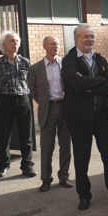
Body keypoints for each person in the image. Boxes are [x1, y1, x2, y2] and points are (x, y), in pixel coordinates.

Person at [61, 24, 108, 210]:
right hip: (79, 118)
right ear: (76, 39)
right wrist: (97, 81)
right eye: (86, 37)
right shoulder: (69, 61)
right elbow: (77, 83)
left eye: (92, 36)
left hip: (100, 114)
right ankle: (84, 196)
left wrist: (90, 85)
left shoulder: (99, 58)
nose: (89, 40)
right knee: (81, 158)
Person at [0, 31, 35, 178]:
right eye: (12, 41)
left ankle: (27, 166)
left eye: (17, 41)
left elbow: (31, 83)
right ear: (4, 45)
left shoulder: (25, 62)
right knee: (4, 135)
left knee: (26, 135)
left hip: (23, 100)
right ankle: (3, 165)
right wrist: (0, 101)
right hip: (5, 101)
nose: (15, 44)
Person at [28, 35, 73, 192]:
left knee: (66, 144)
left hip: (65, 108)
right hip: (48, 109)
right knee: (47, 146)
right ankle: (46, 179)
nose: (56, 46)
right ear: (44, 46)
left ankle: (64, 176)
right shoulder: (35, 69)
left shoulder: (66, 65)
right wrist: (45, 102)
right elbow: (33, 91)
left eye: (58, 44)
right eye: (53, 44)